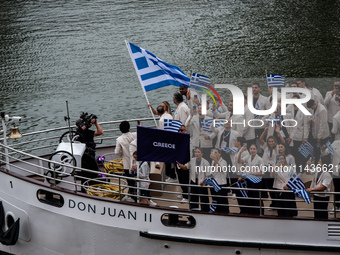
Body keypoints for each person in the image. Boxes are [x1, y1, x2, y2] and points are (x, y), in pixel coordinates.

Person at [75, 113, 103, 191]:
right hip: (89, 154)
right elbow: (100, 132)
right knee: (92, 170)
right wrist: (96, 123)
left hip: (82, 155)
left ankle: (84, 187)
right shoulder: (88, 132)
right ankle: (92, 187)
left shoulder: (78, 132)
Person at [237, 144, 264, 215]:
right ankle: (251, 212)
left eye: (254, 149)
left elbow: (263, 172)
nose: (252, 150)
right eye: (251, 149)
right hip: (249, 180)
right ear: (249, 150)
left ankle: (259, 213)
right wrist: (240, 152)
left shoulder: (260, 159)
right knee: (250, 197)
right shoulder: (248, 157)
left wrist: (253, 173)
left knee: (257, 197)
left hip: (257, 181)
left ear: (256, 150)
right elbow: (239, 161)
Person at [115, 121, 137, 200]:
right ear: (129, 128)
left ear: (120, 130)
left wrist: (122, 154)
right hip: (137, 162)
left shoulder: (119, 139)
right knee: (138, 179)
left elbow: (117, 152)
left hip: (127, 163)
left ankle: (133, 196)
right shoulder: (135, 135)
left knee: (130, 181)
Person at [186, 147, 210, 211]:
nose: (197, 154)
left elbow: (207, 175)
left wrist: (204, 182)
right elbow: (186, 167)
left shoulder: (206, 162)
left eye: (198, 152)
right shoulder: (192, 160)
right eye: (196, 152)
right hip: (193, 180)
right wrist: (181, 166)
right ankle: (193, 214)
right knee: (193, 199)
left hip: (202, 182)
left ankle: (205, 213)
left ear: (202, 154)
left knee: (204, 199)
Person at [307, 99, 329, 163]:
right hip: (315, 134)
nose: (311, 108)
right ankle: (317, 165)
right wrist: (310, 120)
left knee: (323, 152)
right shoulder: (314, 109)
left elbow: (323, 124)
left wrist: (319, 136)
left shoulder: (322, 110)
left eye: (312, 107)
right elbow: (312, 117)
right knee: (317, 152)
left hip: (323, 136)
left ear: (315, 104)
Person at [207, 148, 229, 213]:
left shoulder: (224, 162)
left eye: (216, 153)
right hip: (214, 184)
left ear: (220, 154)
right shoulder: (213, 162)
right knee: (215, 202)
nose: (214, 154)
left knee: (223, 203)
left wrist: (215, 159)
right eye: (213, 152)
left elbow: (220, 169)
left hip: (221, 185)